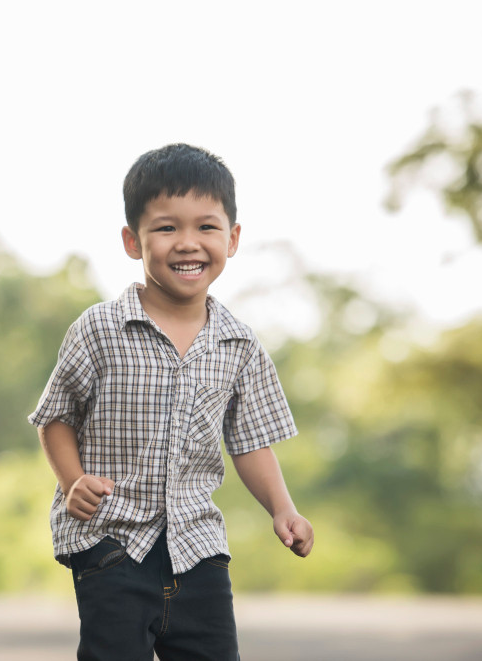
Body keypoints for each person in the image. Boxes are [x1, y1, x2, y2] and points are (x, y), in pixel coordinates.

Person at [28, 143, 313, 660]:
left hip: (198, 548)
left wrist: (282, 508)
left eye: (206, 227)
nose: (188, 244)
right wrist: (72, 482)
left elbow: (249, 442)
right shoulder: (99, 329)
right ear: (132, 241)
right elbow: (56, 417)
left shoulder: (239, 345)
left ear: (233, 237)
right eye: (166, 228)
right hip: (112, 544)